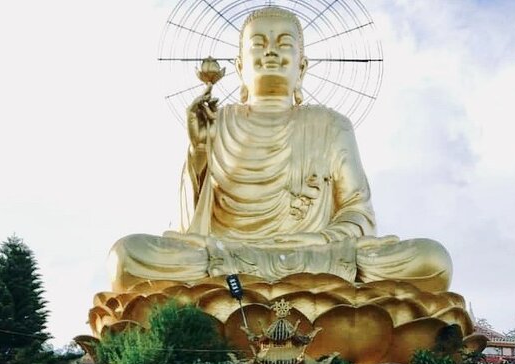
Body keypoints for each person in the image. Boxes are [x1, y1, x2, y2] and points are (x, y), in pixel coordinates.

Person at [108, 6, 451, 293]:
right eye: (258, 44)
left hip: (315, 255)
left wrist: (319, 240)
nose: (270, 51)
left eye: (284, 44)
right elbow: (190, 229)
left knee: (432, 260)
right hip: (226, 255)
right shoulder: (216, 122)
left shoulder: (332, 125)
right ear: (240, 66)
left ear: (302, 66)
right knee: (126, 256)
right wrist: (199, 149)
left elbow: (357, 213)